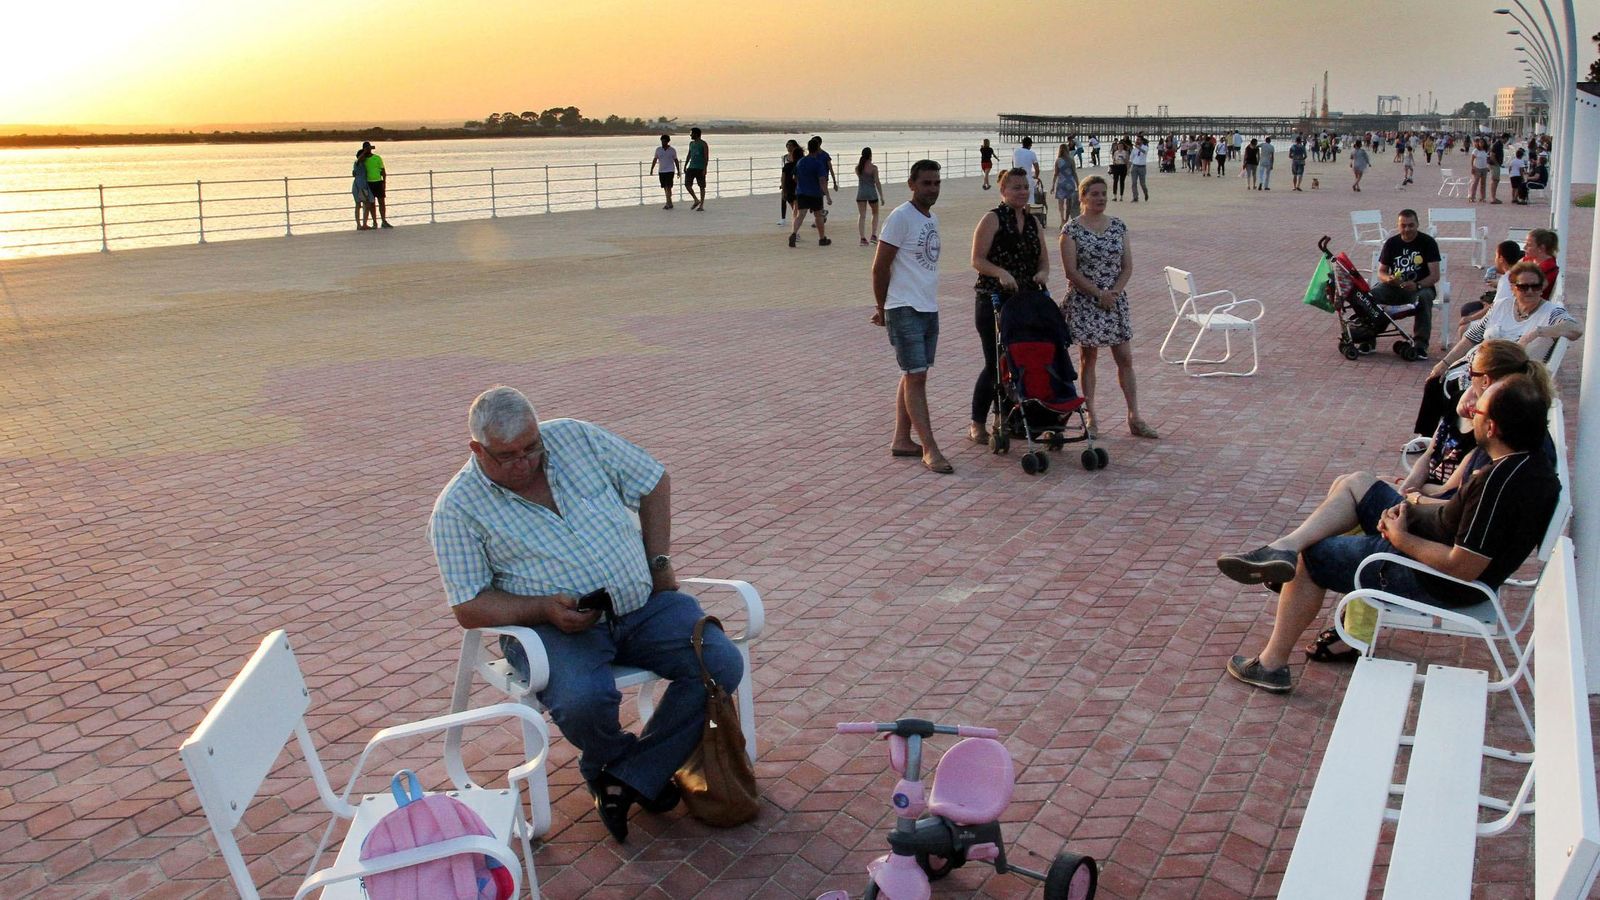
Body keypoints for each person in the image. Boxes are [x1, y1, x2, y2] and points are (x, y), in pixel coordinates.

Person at [428, 386, 742, 841]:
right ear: (477, 449)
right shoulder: (456, 509)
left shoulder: (575, 437)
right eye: (508, 455)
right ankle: (630, 767)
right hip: (549, 628)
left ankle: (625, 773)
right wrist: (542, 608)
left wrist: (658, 561)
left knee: (720, 662)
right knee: (582, 701)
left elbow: (652, 479)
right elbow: (468, 605)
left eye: (531, 447)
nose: (525, 462)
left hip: (642, 602)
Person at [1217, 371, 1559, 693]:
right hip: (1428, 541)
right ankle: (1282, 548)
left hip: (1434, 578)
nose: (1471, 409)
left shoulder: (1500, 484)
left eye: (1479, 408)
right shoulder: (1527, 462)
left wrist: (1400, 537)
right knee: (1358, 483)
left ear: (1493, 425)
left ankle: (1271, 665)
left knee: (1315, 557)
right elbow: (1457, 518)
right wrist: (1410, 510)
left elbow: (1463, 567)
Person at [1058, 175, 1158, 439]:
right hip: (1086, 299)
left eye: (1103, 193)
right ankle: (1091, 415)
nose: (1100, 198)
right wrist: (1097, 293)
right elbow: (1071, 271)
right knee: (1088, 358)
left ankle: (1134, 415)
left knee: (1124, 357)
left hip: (1114, 299)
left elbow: (1127, 266)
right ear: (1082, 197)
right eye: (1094, 194)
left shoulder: (1118, 226)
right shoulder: (1071, 230)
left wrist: (1114, 292)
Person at [872, 160, 950, 475]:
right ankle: (930, 447)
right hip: (904, 307)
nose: (932, 188)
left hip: (927, 306)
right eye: (926, 183)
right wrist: (882, 308)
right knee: (916, 376)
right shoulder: (900, 218)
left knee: (914, 374)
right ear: (912, 184)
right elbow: (879, 267)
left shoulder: (932, 219)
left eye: (936, 183)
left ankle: (902, 440)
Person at [969, 167, 1051, 446]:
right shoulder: (992, 219)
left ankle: (1007, 419)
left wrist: (1042, 274)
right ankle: (979, 422)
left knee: (1021, 360)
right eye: (1015, 187)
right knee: (995, 363)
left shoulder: (1033, 222)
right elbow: (978, 259)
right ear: (1003, 191)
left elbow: (1044, 260)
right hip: (994, 298)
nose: (1022, 192)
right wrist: (1000, 273)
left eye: (1025, 187)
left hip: (1026, 300)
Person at [1372, 208, 1440, 358]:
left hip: (1420, 288)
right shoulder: (1391, 243)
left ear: (1417, 224)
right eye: (1403, 225)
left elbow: (1435, 275)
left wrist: (1417, 285)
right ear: (1398, 226)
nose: (1407, 229)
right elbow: (1381, 272)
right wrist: (1389, 279)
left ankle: (1420, 345)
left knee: (1424, 298)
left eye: (1411, 225)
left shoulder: (1428, 242)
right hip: (1395, 287)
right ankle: (1369, 337)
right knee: (1371, 296)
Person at [789, 136, 832, 247]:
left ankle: (793, 234)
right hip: (815, 193)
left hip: (801, 192)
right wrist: (827, 195)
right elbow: (822, 180)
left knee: (800, 215)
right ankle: (822, 238)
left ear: (808, 148)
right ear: (818, 148)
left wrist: (801, 185)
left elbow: (795, 177)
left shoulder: (800, 162)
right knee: (818, 216)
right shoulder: (818, 163)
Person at [855, 147, 884, 246]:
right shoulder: (873, 168)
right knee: (875, 213)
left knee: (862, 215)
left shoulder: (858, 168)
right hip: (872, 193)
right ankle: (873, 236)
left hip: (861, 193)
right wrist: (881, 196)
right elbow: (877, 182)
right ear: (870, 155)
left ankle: (862, 238)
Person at [361, 141, 391, 228]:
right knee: (371, 204)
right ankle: (374, 222)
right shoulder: (363, 159)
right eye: (366, 148)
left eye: (369, 148)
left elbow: (383, 171)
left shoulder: (377, 158)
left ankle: (383, 220)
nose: (368, 149)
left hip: (378, 182)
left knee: (382, 202)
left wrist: (384, 182)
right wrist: (364, 153)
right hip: (368, 183)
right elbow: (358, 163)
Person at [1523, 229, 1560, 298]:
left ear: (1541, 248)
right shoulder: (1527, 260)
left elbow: (1529, 294)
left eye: (1529, 245)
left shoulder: (1550, 270)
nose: (1524, 247)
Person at [1051, 143, 1079, 224]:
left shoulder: (1058, 160)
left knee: (1061, 203)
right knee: (1069, 203)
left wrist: (1053, 185)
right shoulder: (1071, 160)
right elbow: (1074, 173)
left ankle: (1062, 220)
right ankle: (1066, 220)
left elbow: (1056, 174)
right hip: (1070, 183)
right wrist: (1078, 184)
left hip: (1061, 183)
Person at [649, 134, 680, 210]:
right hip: (661, 171)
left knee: (668, 187)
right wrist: (652, 169)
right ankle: (670, 202)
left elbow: (676, 160)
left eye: (664, 141)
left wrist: (678, 171)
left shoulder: (672, 150)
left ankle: (667, 203)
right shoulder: (658, 149)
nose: (663, 142)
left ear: (668, 141)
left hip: (670, 170)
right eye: (662, 141)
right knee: (665, 187)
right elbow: (655, 159)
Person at [684, 127, 709, 212]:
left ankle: (701, 205)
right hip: (691, 167)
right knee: (687, 184)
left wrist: (705, 168)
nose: (690, 135)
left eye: (691, 133)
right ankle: (695, 199)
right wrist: (685, 165)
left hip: (700, 168)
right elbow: (689, 155)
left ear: (696, 134)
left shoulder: (703, 144)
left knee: (701, 186)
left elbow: (706, 157)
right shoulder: (691, 144)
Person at [351, 149, 376, 230]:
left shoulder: (362, 164)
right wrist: (365, 151)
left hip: (360, 185)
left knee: (363, 205)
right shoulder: (358, 163)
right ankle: (361, 224)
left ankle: (362, 224)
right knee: (363, 204)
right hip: (360, 186)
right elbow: (359, 159)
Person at [779, 139, 801, 226]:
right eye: (787, 145)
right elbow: (783, 171)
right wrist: (782, 183)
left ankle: (796, 218)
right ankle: (783, 218)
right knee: (784, 198)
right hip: (787, 180)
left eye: (790, 145)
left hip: (796, 181)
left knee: (795, 202)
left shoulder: (799, 157)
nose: (789, 147)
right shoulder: (784, 157)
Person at [1129, 137, 1150, 202]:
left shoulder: (1145, 147)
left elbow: (1144, 152)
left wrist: (1138, 147)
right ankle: (1135, 197)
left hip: (1142, 167)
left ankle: (1145, 193)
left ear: (1141, 141)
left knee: (1142, 183)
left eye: (1138, 140)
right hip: (1135, 167)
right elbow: (1131, 159)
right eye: (1136, 140)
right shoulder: (1134, 150)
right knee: (1134, 183)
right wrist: (1128, 168)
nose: (1137, 141)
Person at [1488, 133, 1506, 205]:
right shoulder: (1497, 144)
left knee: (1496, 180)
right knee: (1495, 180)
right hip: (1494, 164)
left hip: (1496, 164)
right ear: (1504, 138)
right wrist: (1496, 163)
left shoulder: (1500, 144)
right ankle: (1493, 198)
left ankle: (1493, 197)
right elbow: (1492, 155)